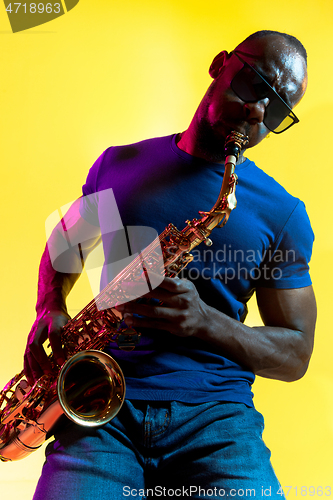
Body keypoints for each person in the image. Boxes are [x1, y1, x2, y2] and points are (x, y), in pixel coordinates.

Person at [25, 30, 316, 499]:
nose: (258, 110)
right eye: (254, 83)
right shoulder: (118, 164)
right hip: (99, 410)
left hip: (218, 421)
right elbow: (67, 243)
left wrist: (205, 323)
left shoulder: (283, 213)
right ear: (220, 65)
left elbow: (296, 354)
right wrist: (49, 305)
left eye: (278, 107)